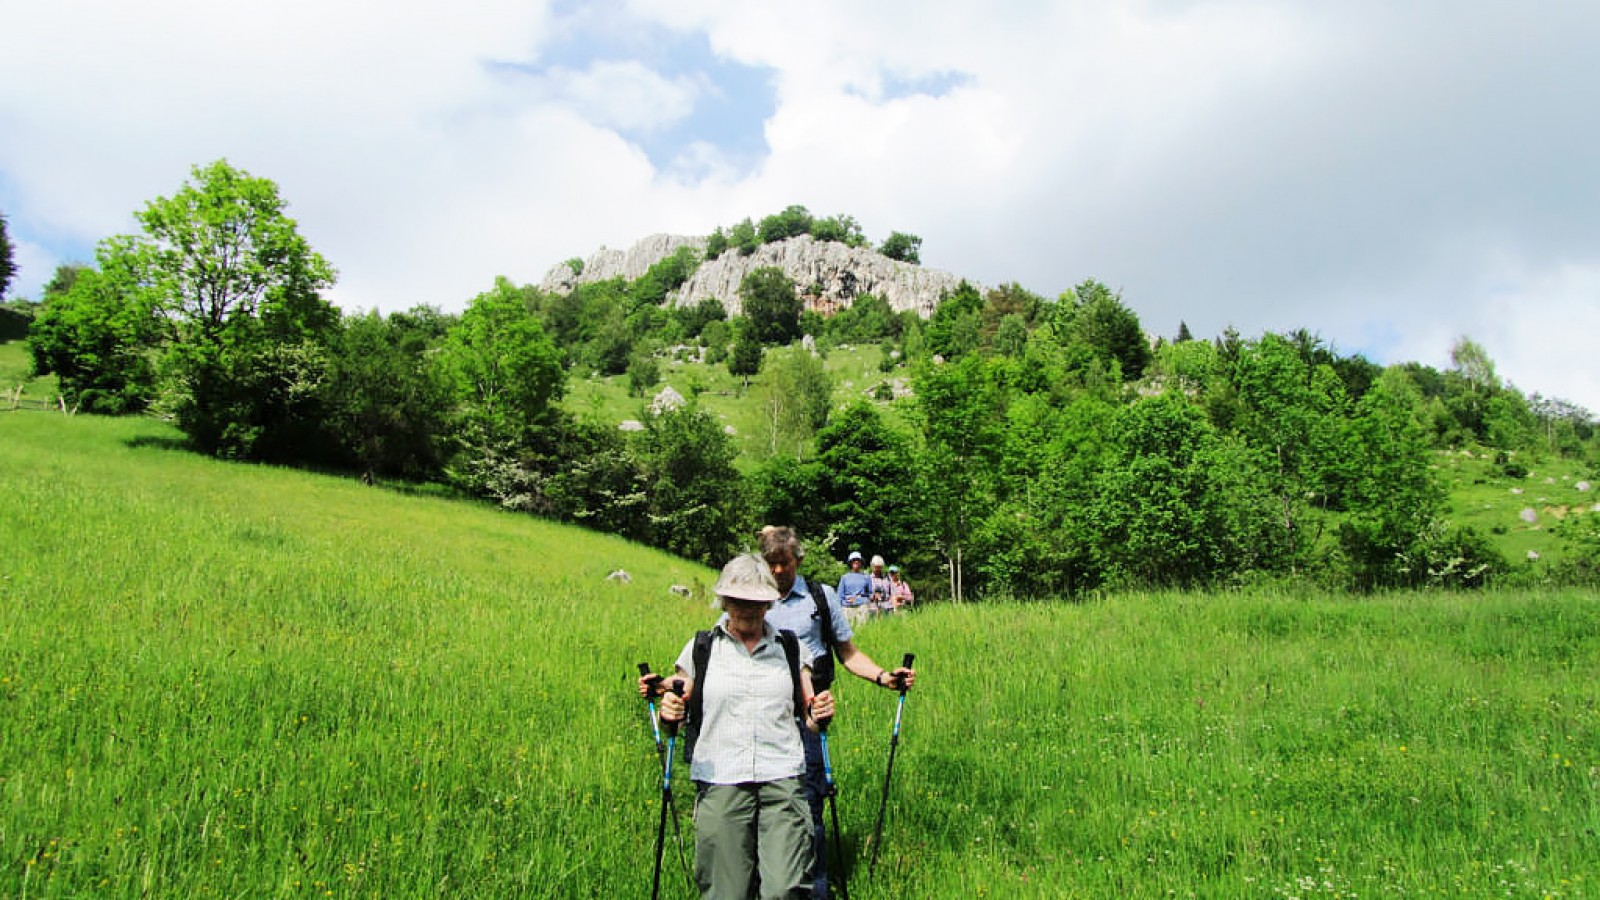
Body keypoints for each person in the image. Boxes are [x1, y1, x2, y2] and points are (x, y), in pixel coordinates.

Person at [658, 553, 836, 900]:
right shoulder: (701, 648)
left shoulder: (790, 648)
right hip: (721, 777)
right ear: (724, 601)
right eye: (738, 600)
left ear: (769, 603)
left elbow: (811, 717)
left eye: (756, 601)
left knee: (785, 890)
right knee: (727, 892)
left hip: (782, 774)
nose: (747, 609)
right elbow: (677, 705)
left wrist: (820, 714)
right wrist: (669, 712)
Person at [836, 550, 873, 625]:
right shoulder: (844, 577)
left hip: (862, 606)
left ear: (861, 562)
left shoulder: (866, 577)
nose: (856, 562)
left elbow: (870, 593)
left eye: (858, 560)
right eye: (854, 560)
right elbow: (839, 595)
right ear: (850, 562)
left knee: (863, 628)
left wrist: (864, 598)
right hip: (847, 607)